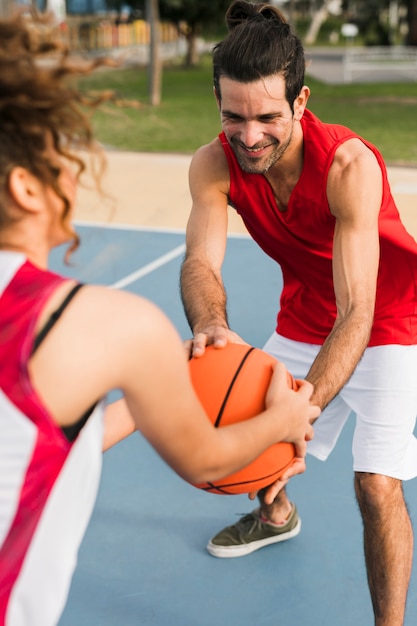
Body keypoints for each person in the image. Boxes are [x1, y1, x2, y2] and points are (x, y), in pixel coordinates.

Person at [0, 11, 319, 626]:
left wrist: (154, 383)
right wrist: (283, 417)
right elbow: (206, 459)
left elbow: (36, 441)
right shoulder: (109, 324)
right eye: (57, 160)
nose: (71, 173)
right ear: (26, 188)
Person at [180, 1, 417, 624]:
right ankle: (276, 513)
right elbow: (202, 265)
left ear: (301, 102)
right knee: (247, 421)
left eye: (267, 118)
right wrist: (210, 324)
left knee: (375, 485)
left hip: (392, 319)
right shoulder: (214, 162)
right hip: (306, 310)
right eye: (233, 116)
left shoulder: (348, 166)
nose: (249, 135)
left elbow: (359, 311)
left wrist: (298, 408)